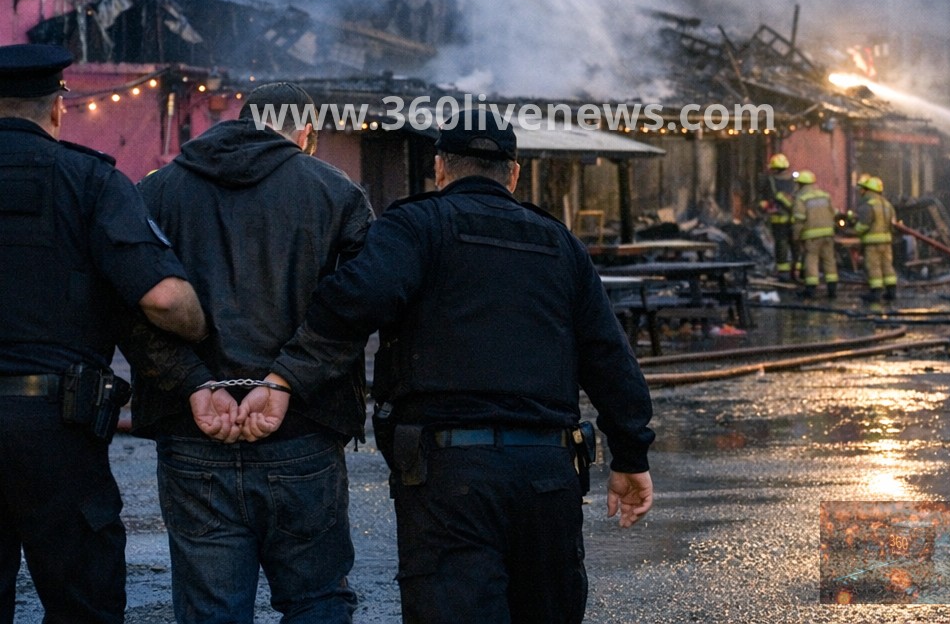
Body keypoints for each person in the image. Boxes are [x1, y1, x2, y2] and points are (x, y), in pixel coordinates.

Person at [252, 106, 655, 624]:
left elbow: (352, 302)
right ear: (514, 174)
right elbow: (610, 358)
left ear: (440, 168)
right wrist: (631, 456)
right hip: (548, 476)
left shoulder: (416, 226)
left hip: (448, 478)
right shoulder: (560, 243)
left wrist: (285, 375)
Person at [131, 82, 373, 624]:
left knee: (211, 611)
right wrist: (285, 380)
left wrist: (194, 381)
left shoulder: (157, 192)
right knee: (316, 602)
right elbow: (358, 308)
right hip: (302, 430)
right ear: (305, 134)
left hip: (195, 430)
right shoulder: (338, 195)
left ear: (244, 121)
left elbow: (130, 306)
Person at [0, 43, 207, 624]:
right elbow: (165, 300)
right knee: (83, 602)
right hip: (56, 433)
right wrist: (199, 321)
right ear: (57, 108)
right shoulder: (88, 180)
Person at [791, 169, 839, 299]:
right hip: (828, 234)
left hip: (811, 236)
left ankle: (811, 290)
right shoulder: (825, 195)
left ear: (800, 184)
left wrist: (796, 236)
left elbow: (799, 220)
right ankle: (832, 290)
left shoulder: (801, 198)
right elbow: (833, 213)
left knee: (811, 260)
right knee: (829, 260)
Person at [854, 175, 898, 304]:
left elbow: (863, 225)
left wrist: (855, 229)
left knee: (874, 267)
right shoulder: (888, 205)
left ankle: (876, 293)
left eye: (864, 189)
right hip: (887, 242)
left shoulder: (868, 205)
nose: (862, 192)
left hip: (872, 243)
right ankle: (891, 292)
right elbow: (893, 224)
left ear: (868, 190)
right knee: (887, 266)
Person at [757, 152, 796, 281]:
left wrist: (764, 206)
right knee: (796, 245)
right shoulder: (794, 180)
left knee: (781, 245)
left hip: (778, 219)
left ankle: (783, 273)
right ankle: (798, 271)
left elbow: (764, 199)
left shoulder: (770, 180)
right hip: (795, 219)